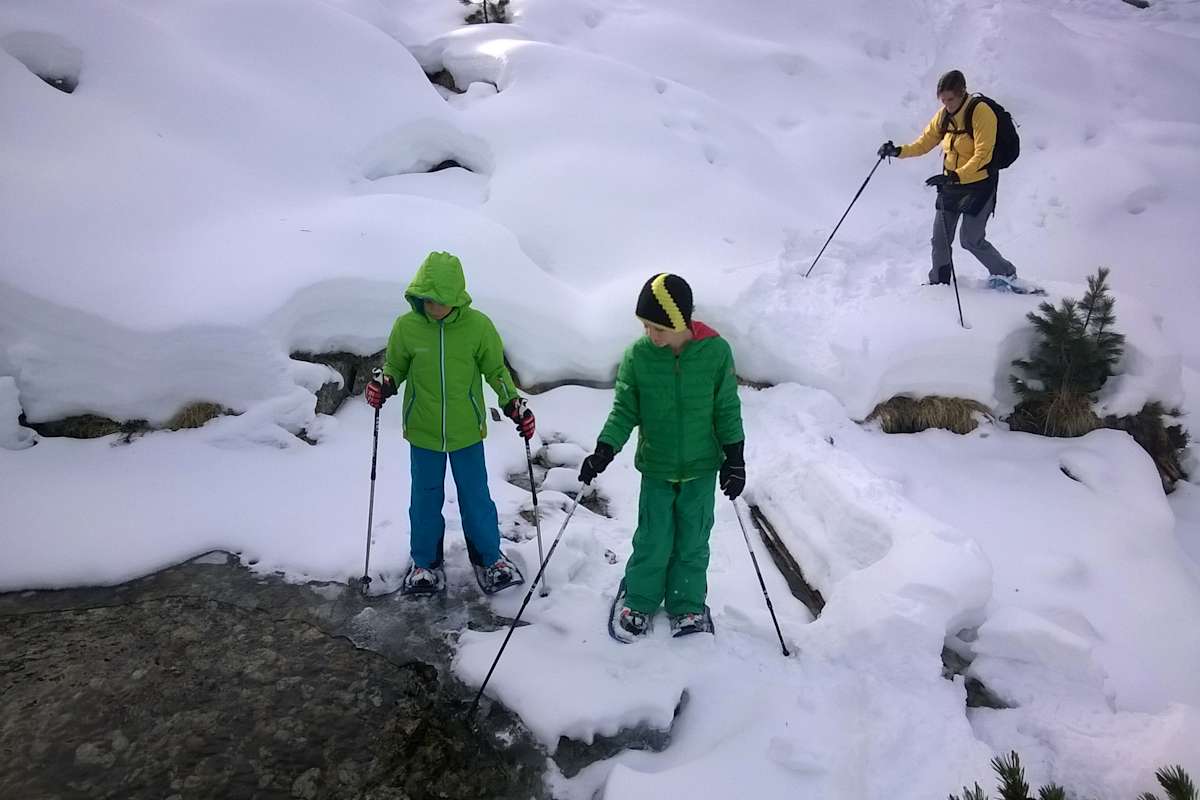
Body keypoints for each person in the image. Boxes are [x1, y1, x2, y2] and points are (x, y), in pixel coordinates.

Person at [578, 273, 745, 641]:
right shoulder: (639, 357)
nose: (651, 335)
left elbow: (727, 409)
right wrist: (604, 449)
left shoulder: (716, 353)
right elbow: (624, 410)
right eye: (645, 327)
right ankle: (639, 597)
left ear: (680, 322)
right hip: (657, 467)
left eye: (658, 328)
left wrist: (735, 457)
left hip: (701, 468)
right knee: (653, 539)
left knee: (693, 541)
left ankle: (686, 604)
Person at [365, 251, 535, 594]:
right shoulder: (407, 327)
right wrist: (384, 383)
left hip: (466, 431)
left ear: (456, 297)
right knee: (425, 498)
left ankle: (490, 557)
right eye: (427, 299)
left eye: (440, 300)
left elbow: (496, 372)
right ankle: (424, 563)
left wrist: (513, 403)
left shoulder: (478, 327)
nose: (432, 307)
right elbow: (395, 366)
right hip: (424, 430)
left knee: (476, 496)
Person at [878, 69, 1024, 290]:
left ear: (962, 92)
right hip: (951, 184)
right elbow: (924, 143)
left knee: (970, 240)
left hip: (980, 184)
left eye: (950, 99)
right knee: (940, 239)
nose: (946, 104)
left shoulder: (980, 112)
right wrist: (898, 151)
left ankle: (1006, 274)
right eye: (943, 100)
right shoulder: (944, 115)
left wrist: (957, 175)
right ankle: (940, 283)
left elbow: (983, 155)